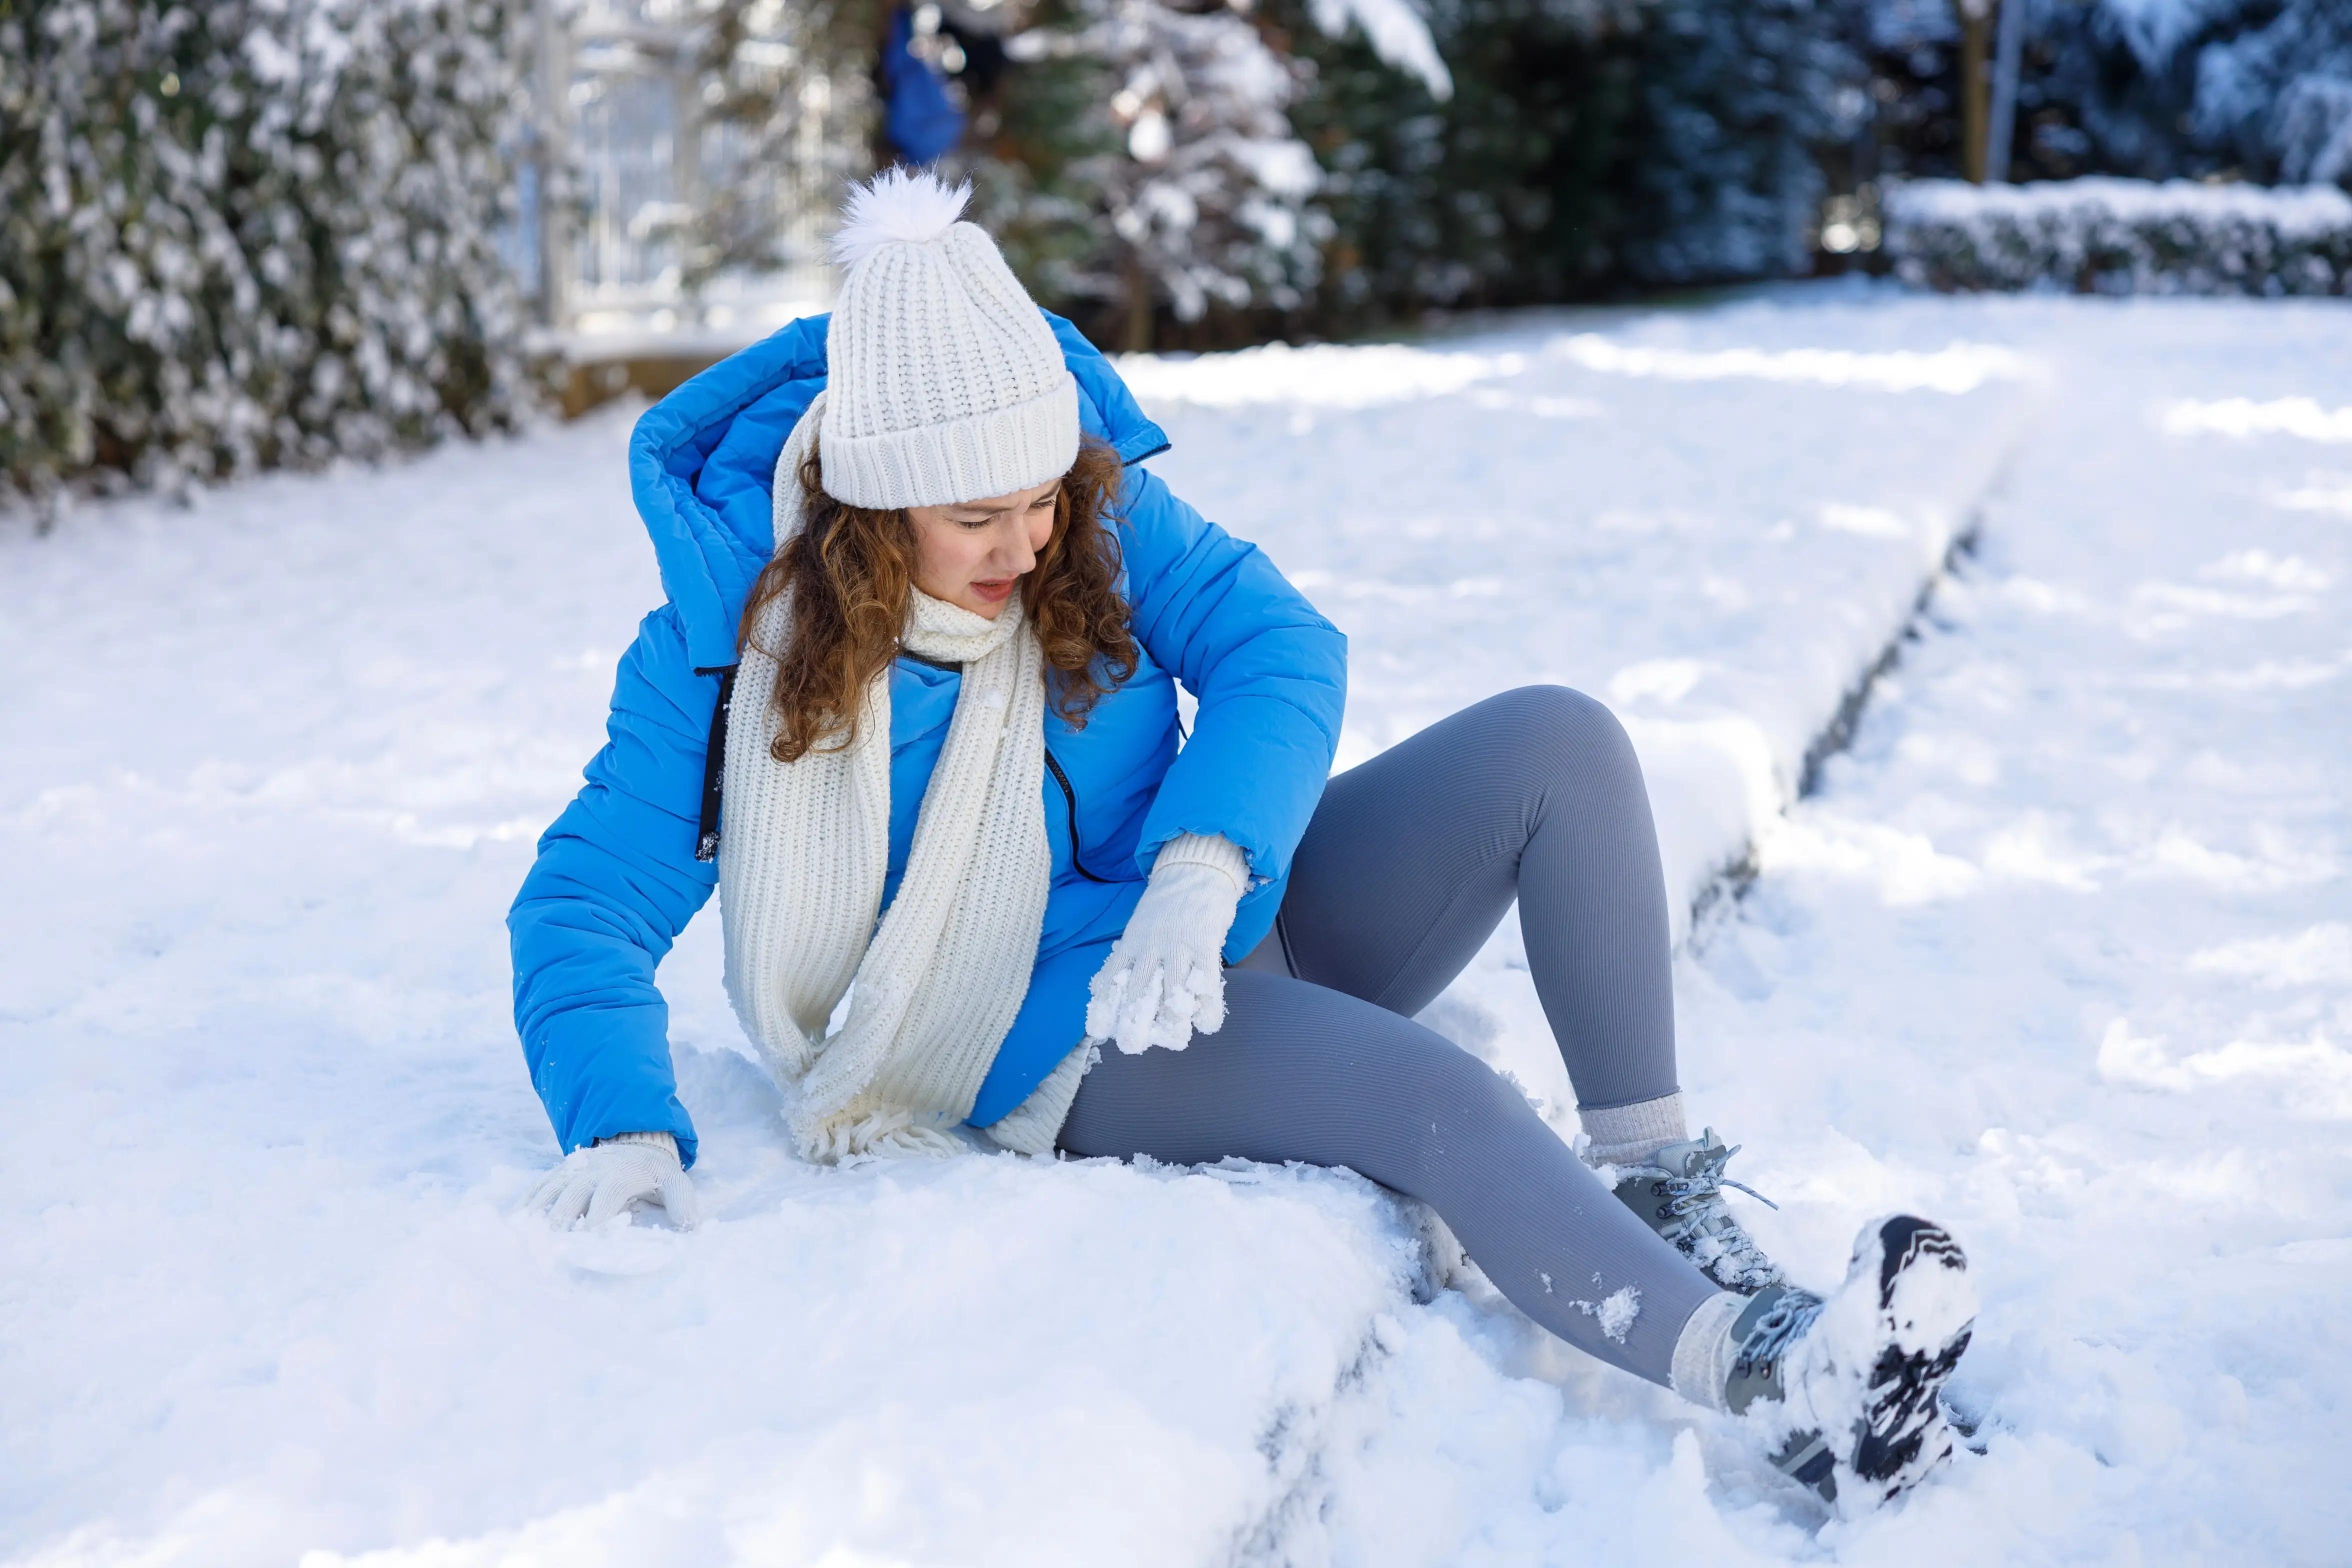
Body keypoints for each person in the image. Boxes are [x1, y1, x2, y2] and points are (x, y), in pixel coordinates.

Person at [511, 169, 1976, 1511]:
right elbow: (583, 904)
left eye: (1042, 499)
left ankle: (1662, 1199)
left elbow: (1281, 645)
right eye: (977, 515)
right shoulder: (726, 651)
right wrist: (621, 1119)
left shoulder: (1092, 510)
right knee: (1442, 1102)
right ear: (871, 508)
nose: (1026, 544)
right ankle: (1783, 1390)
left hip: (1213, 922)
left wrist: (1206, 864)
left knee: (1560, 743)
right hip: (1046, 1030)